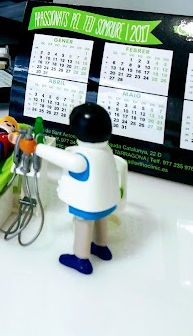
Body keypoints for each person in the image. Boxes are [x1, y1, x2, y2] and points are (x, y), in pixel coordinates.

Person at [35, 102, 127, 275]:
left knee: (83, 224)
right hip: (107, 200)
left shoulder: (82, 157)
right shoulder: (106, 150)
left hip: (87, 203)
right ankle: (101, 246)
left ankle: (81, 258)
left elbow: (61, 158)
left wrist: (36, 148)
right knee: (101, 220)